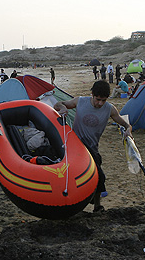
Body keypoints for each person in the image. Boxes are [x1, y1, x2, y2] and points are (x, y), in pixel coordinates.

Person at [53, 80, 132, 212]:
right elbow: (58, 104)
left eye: (103, 100)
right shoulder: (80, 101)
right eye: (98, 99)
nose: (100, 103)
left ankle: (96, 205)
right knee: (96, 175)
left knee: (95, 175)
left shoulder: (110, 109)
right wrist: (63, 108)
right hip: (76, 146)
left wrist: (128, 130)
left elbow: (125, 124)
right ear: (92, 95)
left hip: (93, 147)